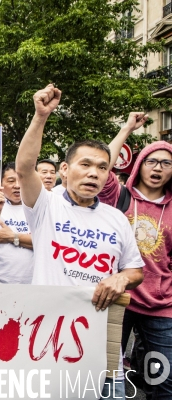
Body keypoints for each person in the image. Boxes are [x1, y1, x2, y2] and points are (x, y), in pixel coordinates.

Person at [16, 85, 144, 399]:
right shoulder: (46, 206)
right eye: (84, 165)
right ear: (64, 169)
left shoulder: (116, 219)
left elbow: (136, 270)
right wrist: (40, 117)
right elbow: (23, 168)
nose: (93, 174)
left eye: (102, 168)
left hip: (99, 343)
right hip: (44, 338)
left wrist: (120, 278)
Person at [100, 112, 172, 399]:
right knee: (107, 376)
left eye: (166, 163)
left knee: (163, 381)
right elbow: (103, 167)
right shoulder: (119, 196)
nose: (158, 168)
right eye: (152, 161)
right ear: (140, 165)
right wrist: (127, 128)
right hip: (117, 299)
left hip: (160, 306)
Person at [0, 163, 34, 284]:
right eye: (11, 181)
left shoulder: (36, 210)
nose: (17, 185)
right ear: (0, 184)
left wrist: (13, 237)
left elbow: (44, 242)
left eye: (21, 180)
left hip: (29, 285)